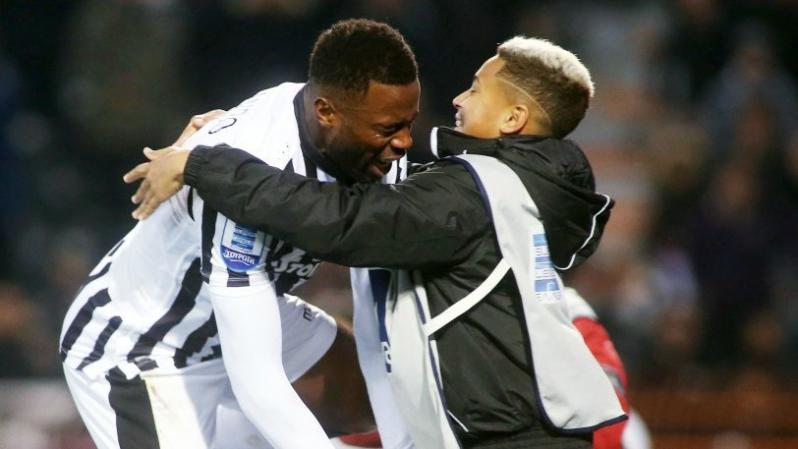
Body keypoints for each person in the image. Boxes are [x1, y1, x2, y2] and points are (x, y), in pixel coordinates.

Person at [128, 36, 627, 448]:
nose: (458, 98)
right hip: (531, 428)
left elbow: (337, 220)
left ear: (513, 119)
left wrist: (203, 161)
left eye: (476, 89)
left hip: (508, 437)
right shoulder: (529, 189)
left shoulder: (473, 193)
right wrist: (242, 126)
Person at [60, 19, 419, 449]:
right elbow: (259, 382)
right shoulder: (246, 174)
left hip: (242, 315)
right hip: (142, 345)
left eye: (407, 123)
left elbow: (376, 324)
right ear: (327, 112)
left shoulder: (371, 147)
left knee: (367, 394)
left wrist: (405, 443)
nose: (403, 142)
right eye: (388, 128)